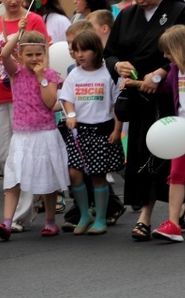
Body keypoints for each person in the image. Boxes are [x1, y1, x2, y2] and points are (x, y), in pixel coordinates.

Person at [104, 0, 185, 242]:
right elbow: (110, 53)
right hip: (137, 95)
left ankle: (160, 213)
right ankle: (152, 212)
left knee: (169, 154)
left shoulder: (178, 11)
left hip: (169, 94)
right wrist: (117, 65)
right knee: (142, 154)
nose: (140, 0)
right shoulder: (127, 15)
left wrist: (161, 73)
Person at [0, 0, 49, 233]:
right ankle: (20, 203)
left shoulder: (34, 20)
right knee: (1, 154)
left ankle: (20, 214)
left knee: (24, 154)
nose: (13, 1)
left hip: (26, 96)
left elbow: (42, 57)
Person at [0, 28, 68, 240]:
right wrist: (19, 33)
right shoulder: (15, 72)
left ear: (45, 55)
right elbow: (4, 54)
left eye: (39, 54)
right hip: (22, 135)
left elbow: (50, 102)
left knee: (48, 180)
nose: (34, 58)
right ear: (20, 55)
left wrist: (41, 76)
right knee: (14, 179)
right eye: (29, 54)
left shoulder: (51, 75)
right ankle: (7, 221)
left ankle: (50, 221)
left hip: (45, 134)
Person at [59, 30, 124, 235]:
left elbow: (117, 105)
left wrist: (117, 129)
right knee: (74, 174)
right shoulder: (74, 74)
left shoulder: (107, 73)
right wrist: (70, 114)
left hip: (102, 129)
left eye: (84, 50)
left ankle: (101, 219)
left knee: (98, 176)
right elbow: (66, 97)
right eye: (76, 50)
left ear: (96, 50)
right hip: (80, 132)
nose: (79, 54)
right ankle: (85, 214)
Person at [149, 26, 185, 242]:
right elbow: (166, 90)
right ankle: (173, 224)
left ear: (180, 48)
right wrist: (143, 81)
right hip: (182, 130)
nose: (166, 56)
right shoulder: (176, 70)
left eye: (168, 51)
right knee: (175, 175)